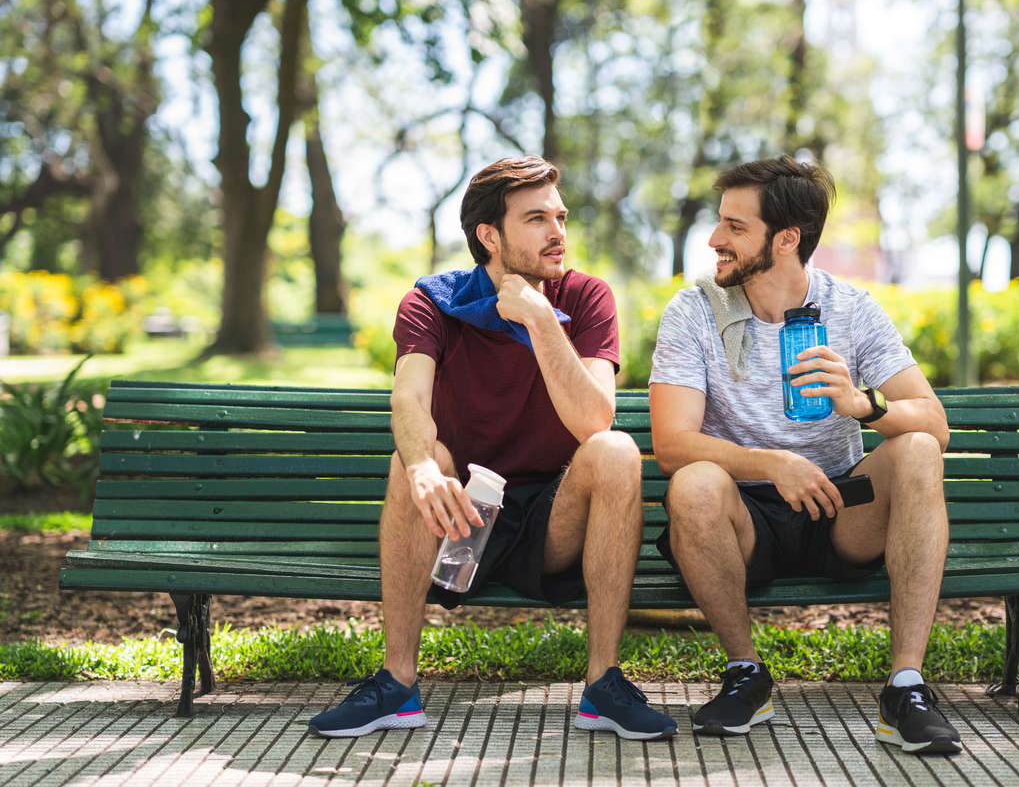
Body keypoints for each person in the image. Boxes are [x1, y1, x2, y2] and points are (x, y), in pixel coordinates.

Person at [310, 156, 676, 741]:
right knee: (412, 459)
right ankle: (396, 683)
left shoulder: (585, 300)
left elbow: (593, 419)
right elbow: (409, 398)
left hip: (552, 523)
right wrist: (424, 468)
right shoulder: (433, 302)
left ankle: (604, 683)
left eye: (560, 216)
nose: (558, 232)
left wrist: (539, 320)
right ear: (490, 236)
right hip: (459, 520)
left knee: (615, 450)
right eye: (536, 219)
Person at [648, 155, 961, 754]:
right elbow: (673, 444)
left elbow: (934, 423)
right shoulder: (693, 311)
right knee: (693, 483)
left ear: (786, 238)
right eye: (721, 223)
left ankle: (906, 687)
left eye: (736, 227)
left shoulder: (852, 309)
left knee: (917, 449)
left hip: (838, 508)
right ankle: (746, 673)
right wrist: (772, 463)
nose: (715, 239)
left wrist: (863, 404)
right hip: (743, 518)